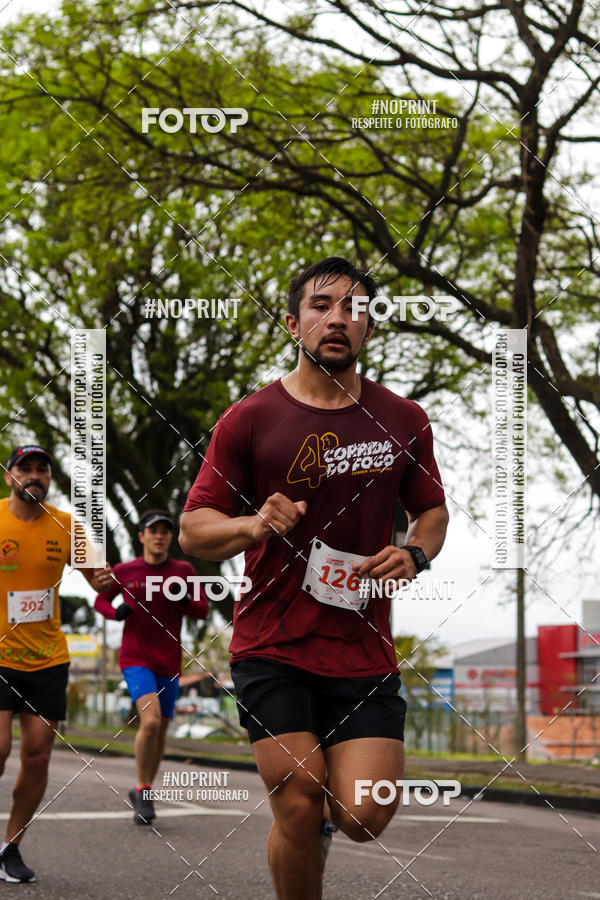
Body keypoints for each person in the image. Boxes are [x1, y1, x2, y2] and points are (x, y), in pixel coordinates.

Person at [179, 257, 449, 900]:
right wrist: (251, 528)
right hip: (272, 643)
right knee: (299, 800)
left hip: (362, 647)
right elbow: (194, 529)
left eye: (355, 309)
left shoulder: (404, 418)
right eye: (321, 305)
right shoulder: (249, 419)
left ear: (370, 329)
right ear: (293, 321)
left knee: (364, 813)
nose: (339, 318)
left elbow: (432, 510)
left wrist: (415, 553)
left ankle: (317, 832)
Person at [0, 445, 113, 883]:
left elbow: (97, 580)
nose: (34, 475)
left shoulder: (66, 525)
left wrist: (104, 581)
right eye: (24, 468)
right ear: (10, 477)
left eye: (41, 469)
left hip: (47, 657)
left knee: (36, 754)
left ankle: (10, 847)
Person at [94, 509, 208, 826]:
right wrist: (115, 611)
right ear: (141, 536)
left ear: (170, 537)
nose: (159, 536)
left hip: (169, 661)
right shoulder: (126, 569)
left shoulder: (183, 569)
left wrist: (185, 598)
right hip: (135, 658)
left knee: (160, 732)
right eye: (152, 530)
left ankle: (144, 787)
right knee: (151, 721)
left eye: (164, 531)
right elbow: (99, 601)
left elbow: (202, 609)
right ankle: (144, 790)